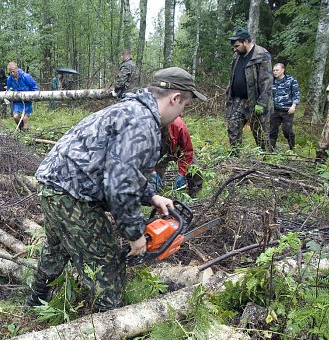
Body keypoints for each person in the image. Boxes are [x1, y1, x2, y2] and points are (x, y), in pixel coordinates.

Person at [28, 67, 207, 312]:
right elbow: (120, 187)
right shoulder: (142, 123)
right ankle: (107, 329)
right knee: (108, 267)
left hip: (53, 186)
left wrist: (151, 195)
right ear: (175, 98)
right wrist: (134, 236)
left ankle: (35, 302)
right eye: (184, 106)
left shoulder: (130, 109)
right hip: (73, 194)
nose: (181, 113)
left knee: (56, 250)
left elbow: (117, 168)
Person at [225, 28, 273, 152]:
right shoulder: (237, 55)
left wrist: (262, 102)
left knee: (261, 133)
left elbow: (267, 81)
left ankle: (267, 159)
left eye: (237, 45)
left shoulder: (262, 55)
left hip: (255, 101)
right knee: (233, 128)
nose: (235, 49)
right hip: (238, 100)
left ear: (246, 41)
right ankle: (234, 157)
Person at [150, 116, 203, 197]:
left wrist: (182, 173)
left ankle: (196, 192)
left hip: (177, 148)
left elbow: (187, 151)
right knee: (153, 179)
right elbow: (147, 155)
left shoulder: (178, 125)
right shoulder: (149, 128)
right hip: (159, 152)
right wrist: (152, 172)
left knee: (194, 167)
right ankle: (155, 195)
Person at [269, 63, 300, 150]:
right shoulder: (271, 81)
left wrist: (293, 106)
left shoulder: (291, 80)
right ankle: (271, 149)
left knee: (287, 131)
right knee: (272, 131)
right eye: (274, 70)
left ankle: (292, 149)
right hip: (275, 110)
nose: (275, 72)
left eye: (277, 70)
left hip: (287, 110)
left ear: (283, 70)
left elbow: (296, 94)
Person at [7, 61, 39, 130]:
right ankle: (21, 129)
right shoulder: (9, 79)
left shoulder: (26, 76)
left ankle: (25, 133)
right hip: (17, 101)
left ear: (16, 69)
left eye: (13, 71)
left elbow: (34, 87)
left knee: (25, 119)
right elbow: (9, 90)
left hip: (27, 100)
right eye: (10, 72)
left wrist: (36, 96)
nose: (12, 74)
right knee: (15, 117)